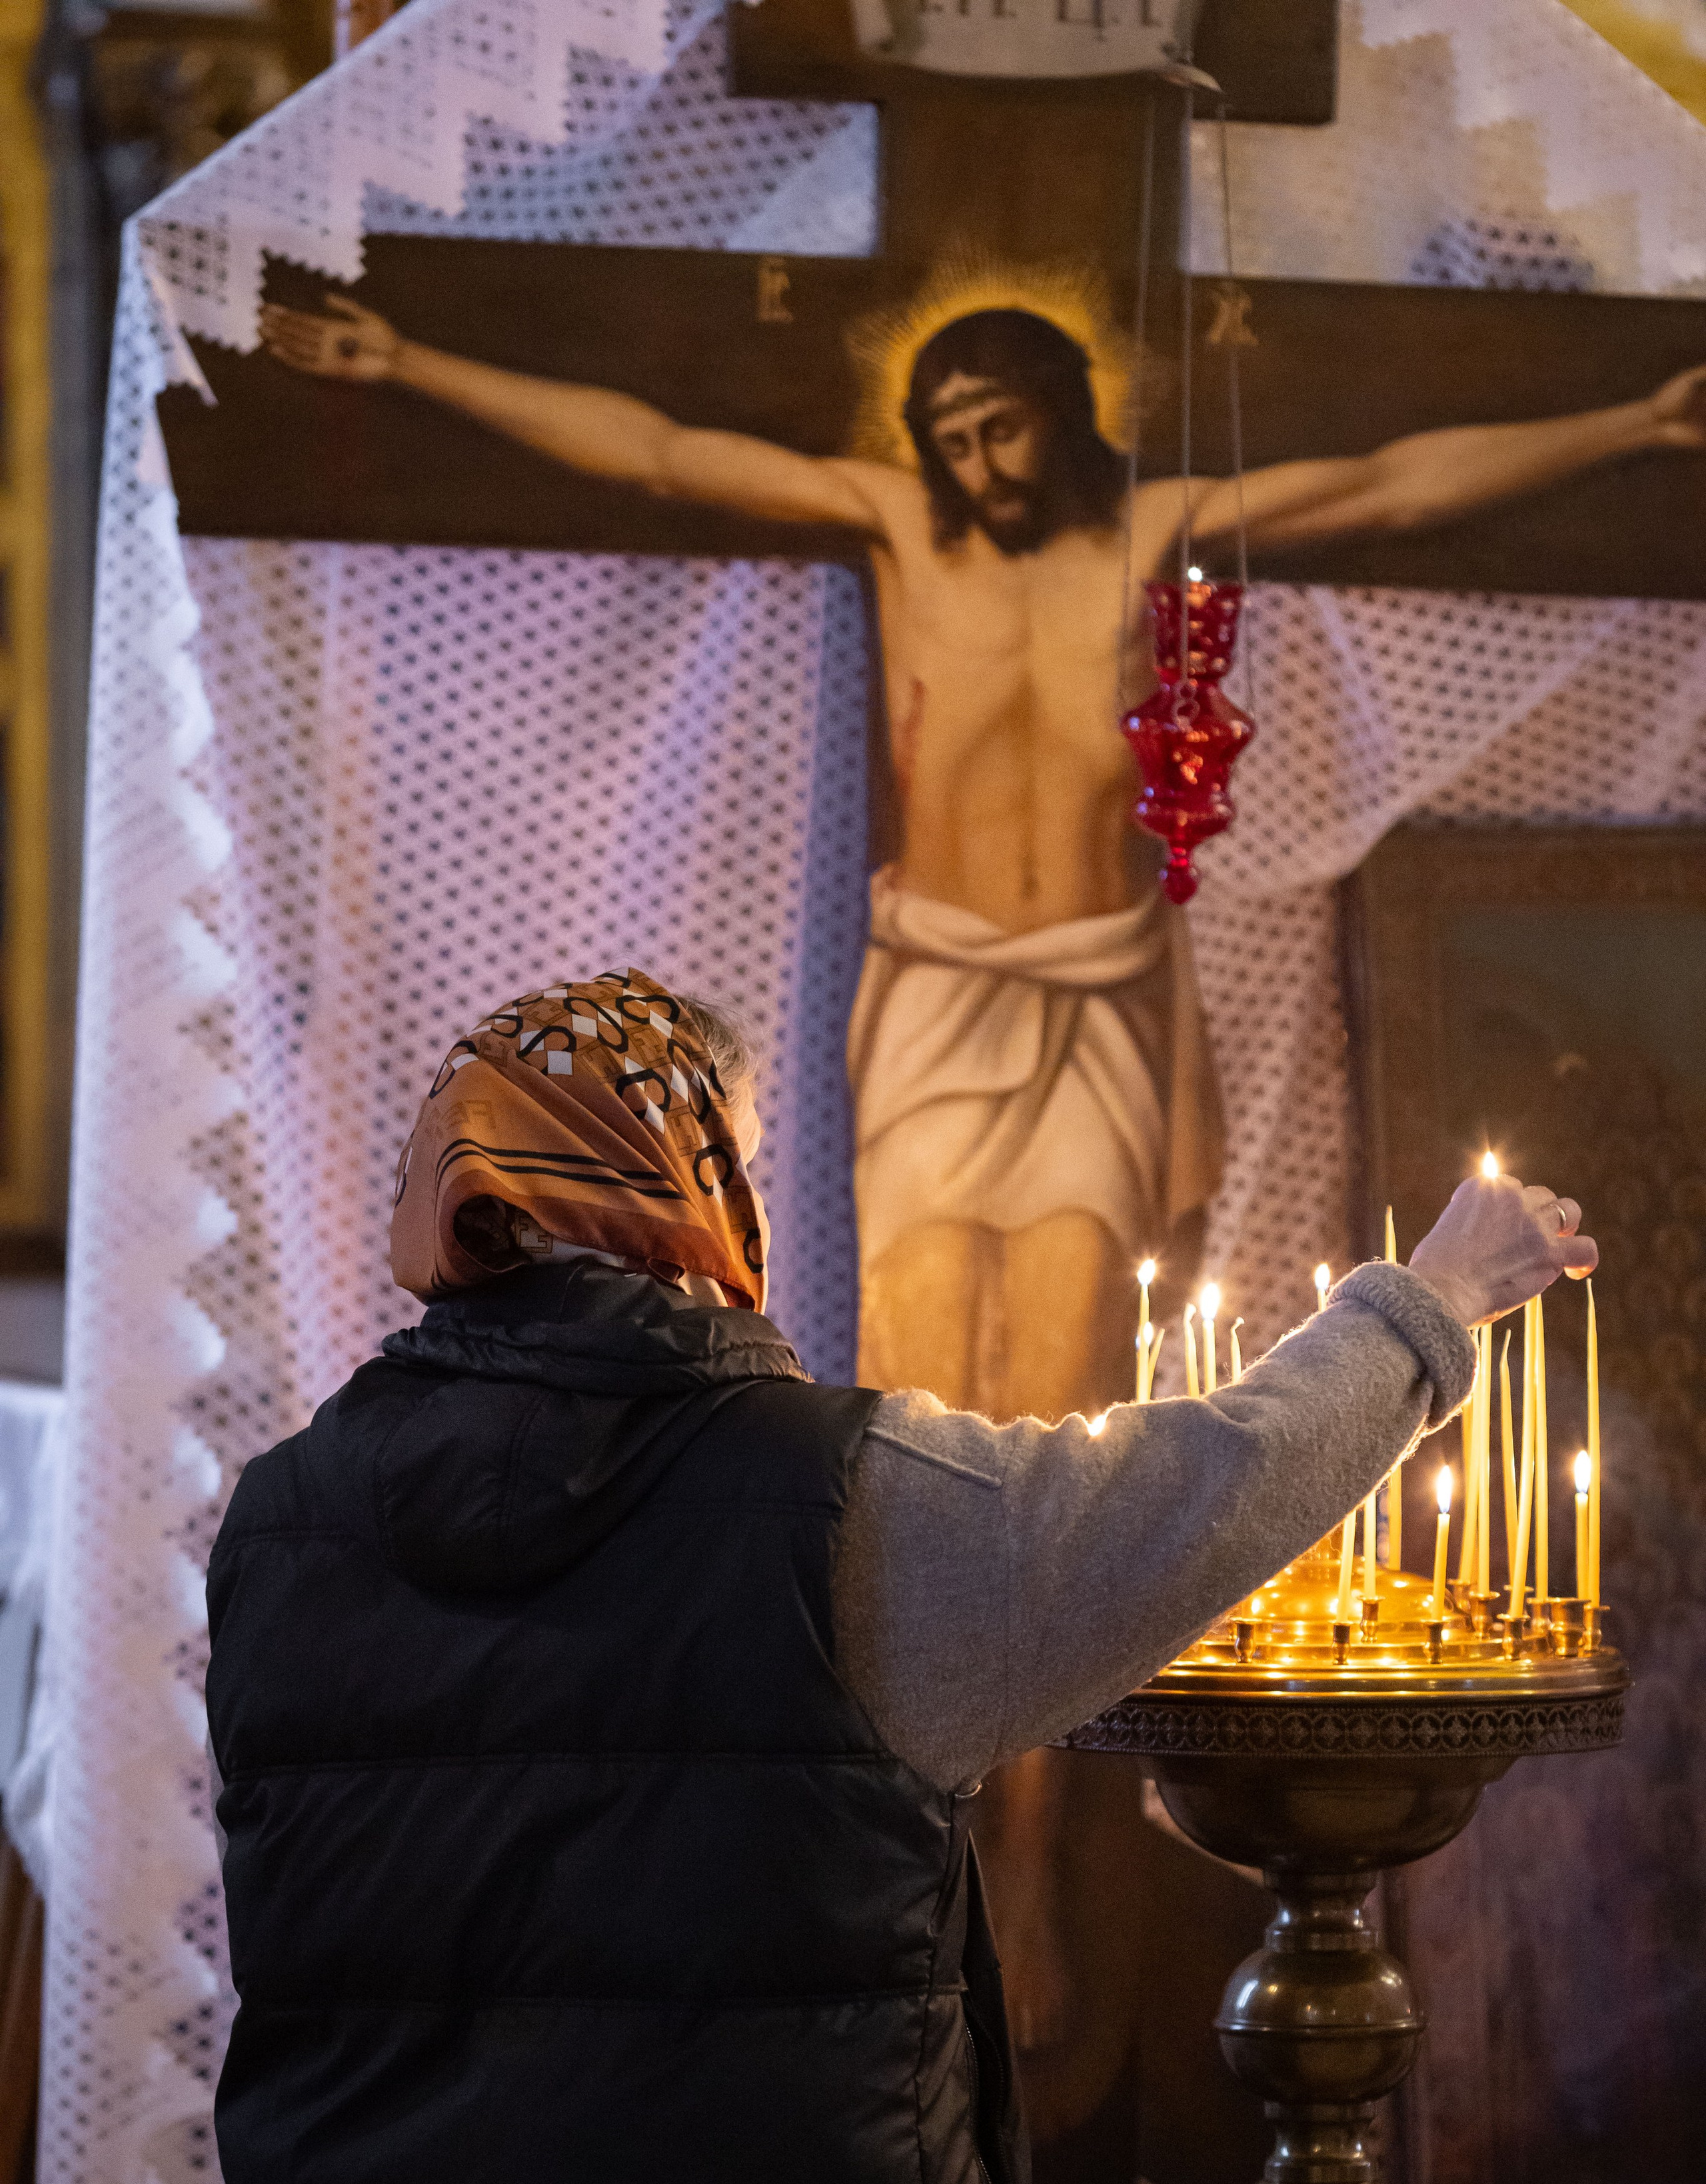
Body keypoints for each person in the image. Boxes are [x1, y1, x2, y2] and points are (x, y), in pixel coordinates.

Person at [204, 965, 1597, 2184]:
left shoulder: (279, 1518)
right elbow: (1202, 1486)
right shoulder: (849, 1504)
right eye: (737, 1156)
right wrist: (1430, 1305)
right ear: (692, 1182)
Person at [257, 291, 1689, 1417]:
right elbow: (662, 454)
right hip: (935, 989)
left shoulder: (1147, 528)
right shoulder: (900, 526)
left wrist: (1633, 421)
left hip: (1101, 992)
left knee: (1078, 1348)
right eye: (949, 438)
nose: (974, 462)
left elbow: (1386, 485)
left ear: (1058, 416)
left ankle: (1055, 1711)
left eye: (999, 427)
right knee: (916, 1336)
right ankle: (928, 1698)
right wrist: (409, 364)